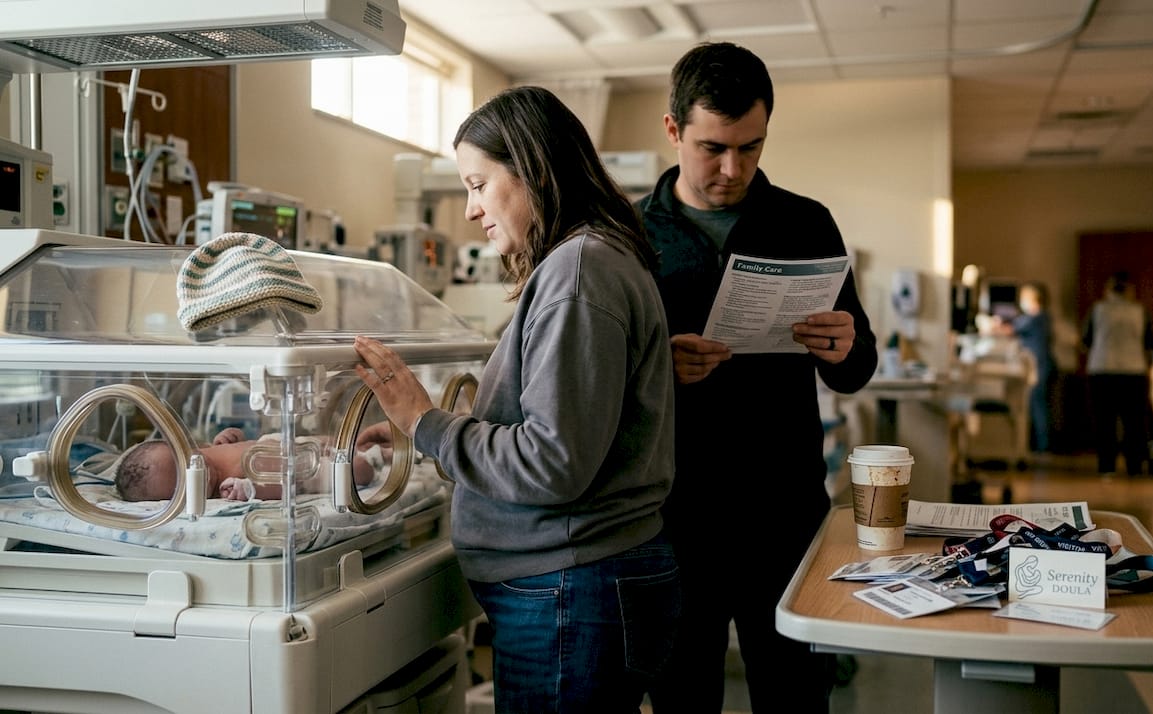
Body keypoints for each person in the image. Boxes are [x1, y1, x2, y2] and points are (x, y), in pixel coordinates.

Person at [352, 85, 679, 713]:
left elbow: (552, 461)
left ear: (530, 168)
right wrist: (422, 433)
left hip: (573, 588)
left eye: (478, 184)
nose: (472, 208)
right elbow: (562, 429)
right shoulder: (592, 261)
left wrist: (427, 422)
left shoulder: (578, 273)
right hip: (584, 584)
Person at [634, 42, 878, 713]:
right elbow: (599, 385)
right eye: (713, 148)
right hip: (673, 516)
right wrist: (659, 369)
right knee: (683, 697)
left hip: (784, 511)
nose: (732, 169)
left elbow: (858, 368)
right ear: (673, 130)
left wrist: (844, 347)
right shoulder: (627, 235)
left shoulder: (805, 222)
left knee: (797, 696)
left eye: (752, 146)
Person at [115, 427, 378, 502]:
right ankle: (373, 459)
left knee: (343, 438)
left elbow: (240, 440)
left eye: (187, 464)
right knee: (358, 470)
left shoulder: (207, 449)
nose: (198, 475)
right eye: (183, 487)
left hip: (283, 443)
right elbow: (279, 487)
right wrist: (250, 490)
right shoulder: (228, 488)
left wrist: (231, 436)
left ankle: (380, 450)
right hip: (306, 474)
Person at [1082, 271, 1153, 477]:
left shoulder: (1097, 310)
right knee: (1134, 422)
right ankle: (1134, 466)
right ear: (1129, 289)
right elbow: (1151, 341)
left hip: (1101, 370)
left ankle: (1106, 466)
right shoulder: (1140, 311)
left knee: (1104, 422)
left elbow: (1086, 340)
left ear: (1108, 289)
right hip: (1133, 371)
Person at [995, 282, 1056, 453]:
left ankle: (1043, 446)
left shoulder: (1036, 317)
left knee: (1038, 407)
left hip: (1040, 367)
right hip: (1042, 365)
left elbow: (1009, 330)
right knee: (1039, 406)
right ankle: (1040, 443)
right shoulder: (1041, 317)